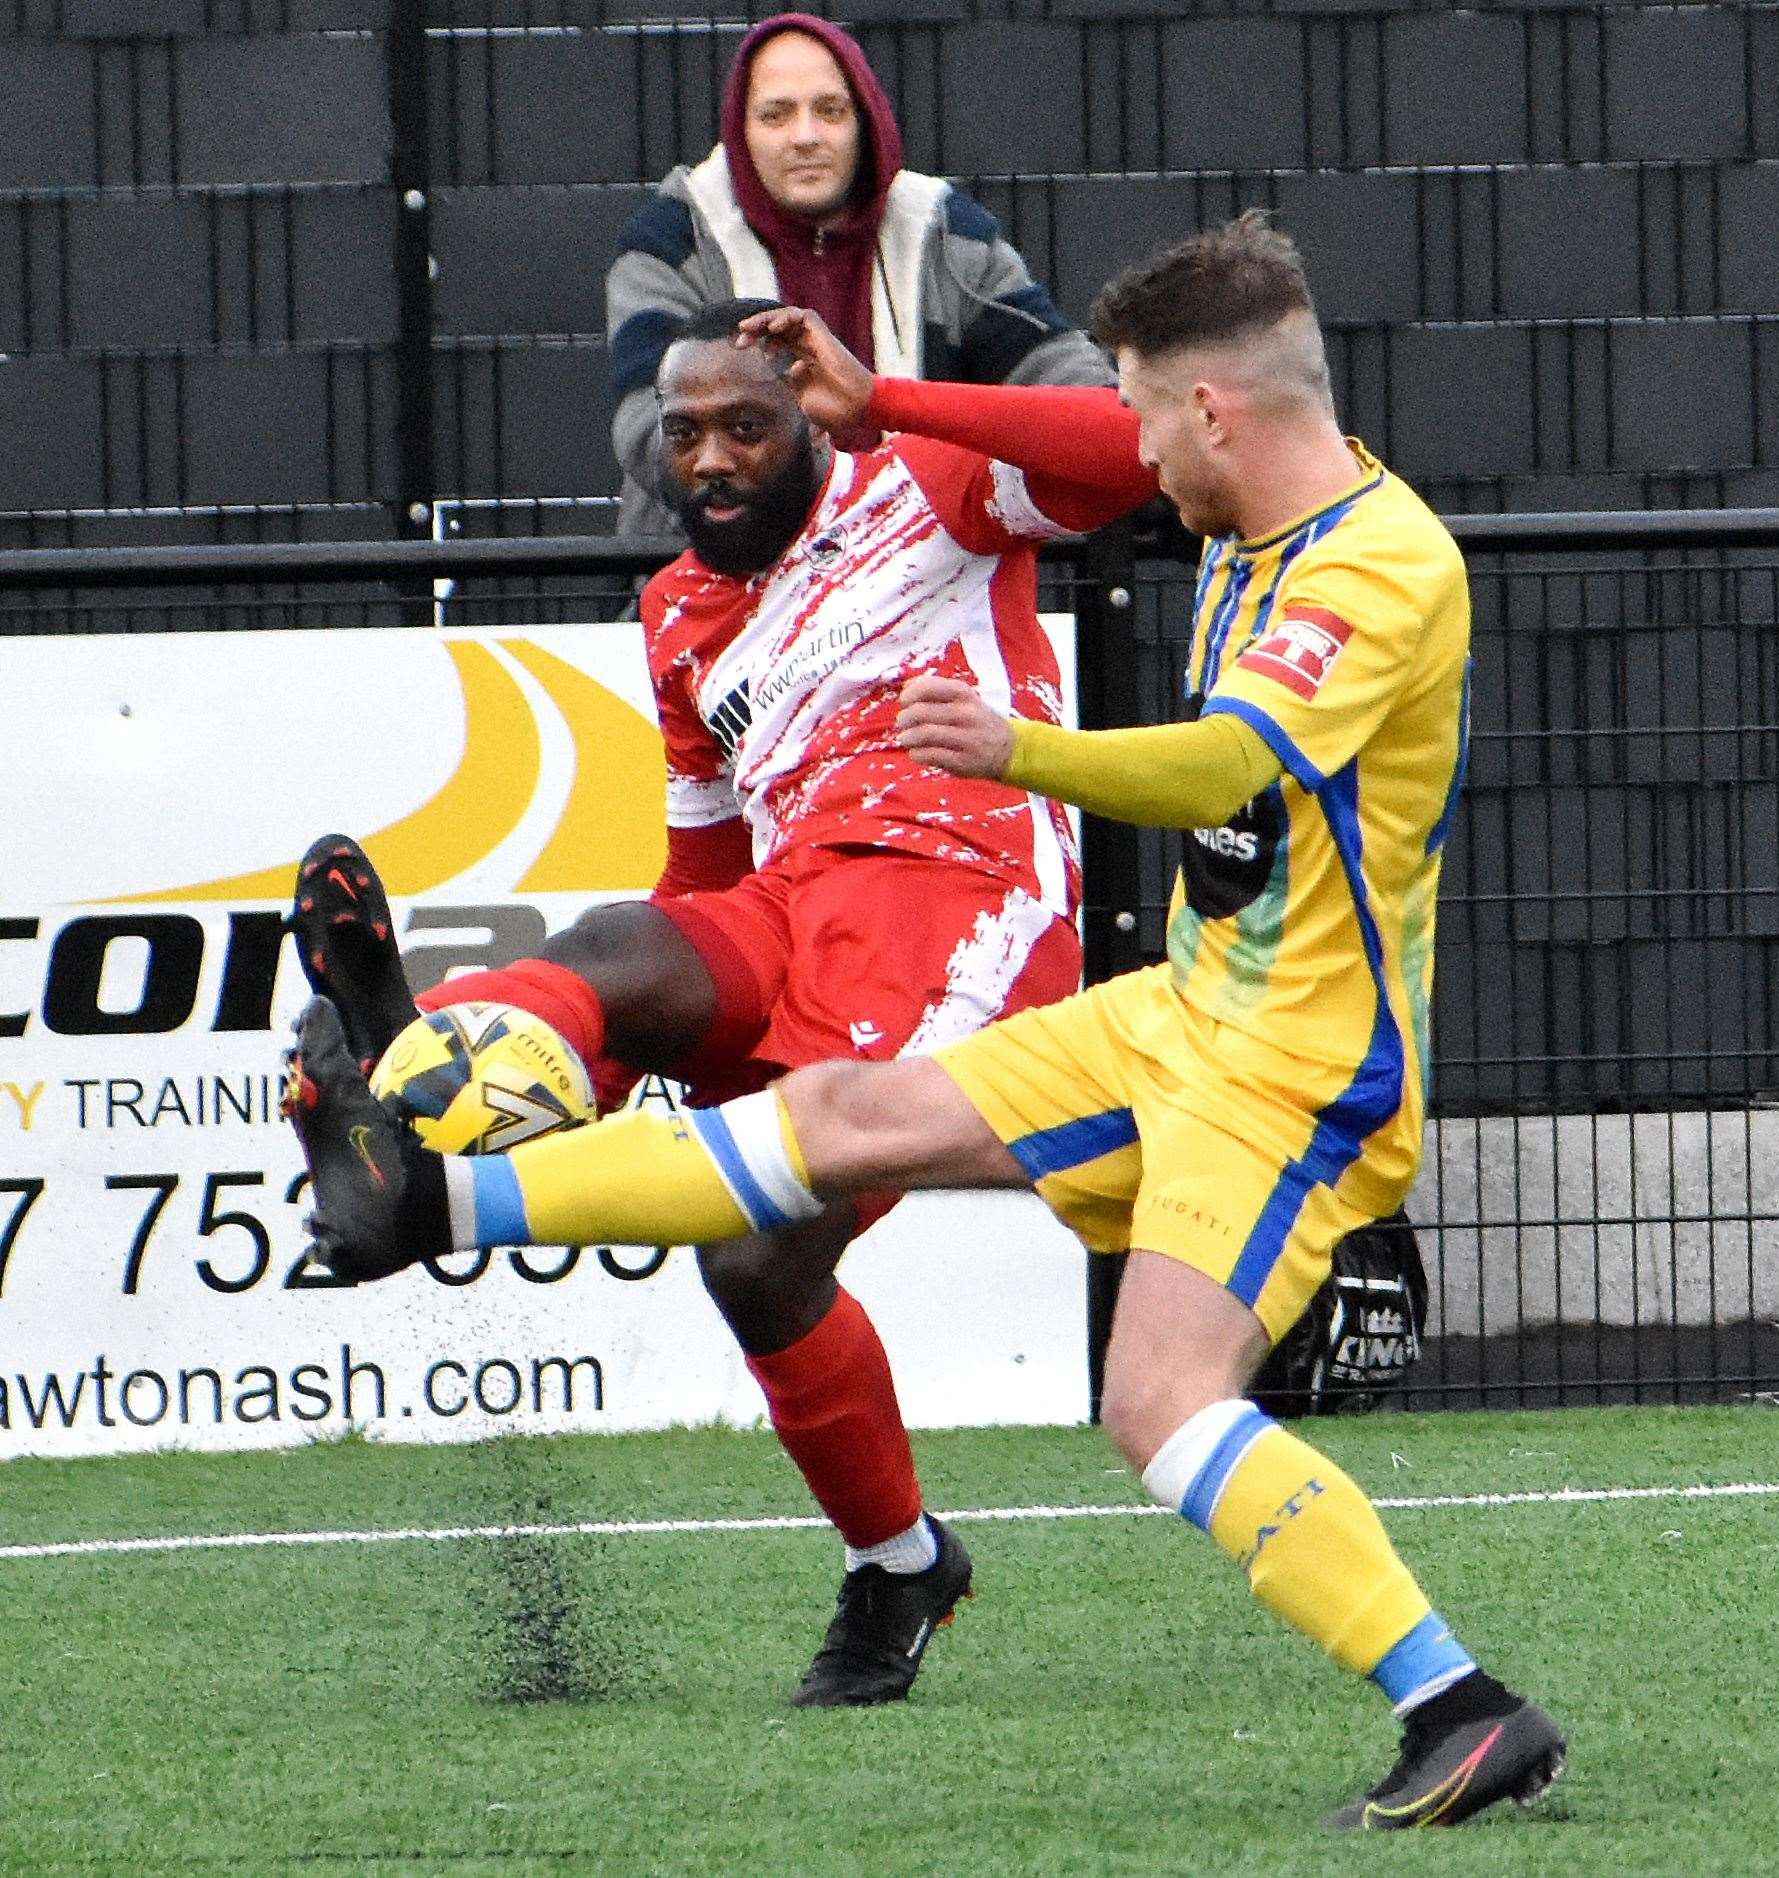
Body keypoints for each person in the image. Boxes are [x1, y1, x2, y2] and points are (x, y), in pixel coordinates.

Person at [288, 213, 1566, 1827]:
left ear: (1213, 411)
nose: (1136, 451)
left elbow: (1227, 766)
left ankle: (1460, 1702)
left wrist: (1015, 745)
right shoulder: (1261, 530)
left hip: (1295, 1071)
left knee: (1158, 1400)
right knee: (845, 1118)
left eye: (1147, 413)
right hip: (1182, 1013)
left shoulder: (1381, 562)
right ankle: (429, 1192)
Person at [287, 296, 1156, 1708]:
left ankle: (897, 1568)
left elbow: (1130, 450)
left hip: (959, 889)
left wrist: (892, 398)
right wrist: (622, 1054)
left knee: (754, 1258)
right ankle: (416, 1071)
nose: (709, 460)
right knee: (628, 941)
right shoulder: (678, 610)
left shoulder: (923, 486)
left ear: (805, 418)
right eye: (682, 435)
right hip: (788, 898)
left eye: (746, 426)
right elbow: (704, 869)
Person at [607, 11, 1111, 544]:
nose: (805, 136)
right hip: (723, 570)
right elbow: (647, 428)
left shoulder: (947, 232)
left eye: (830, 111)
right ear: (740, 131)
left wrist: (1145, 428)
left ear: (866, 121)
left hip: (923, 577)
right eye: (777, 115)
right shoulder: (673, 240)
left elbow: (1060, 373)